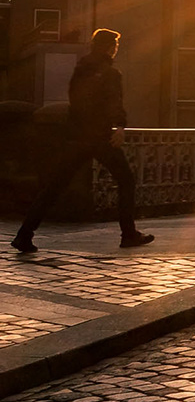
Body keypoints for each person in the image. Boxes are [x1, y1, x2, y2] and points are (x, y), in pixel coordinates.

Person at [10, 29, 153, 256]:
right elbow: (113, 102)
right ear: (110, 48)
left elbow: (75, 103)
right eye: (115, 46)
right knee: (126, 180)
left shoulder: (80, 69)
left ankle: (24, 233)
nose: (116, 49)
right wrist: (120, 126)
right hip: (99, 137)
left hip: (76, 137)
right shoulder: (111, 73)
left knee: (54, 186)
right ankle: (128, 233)